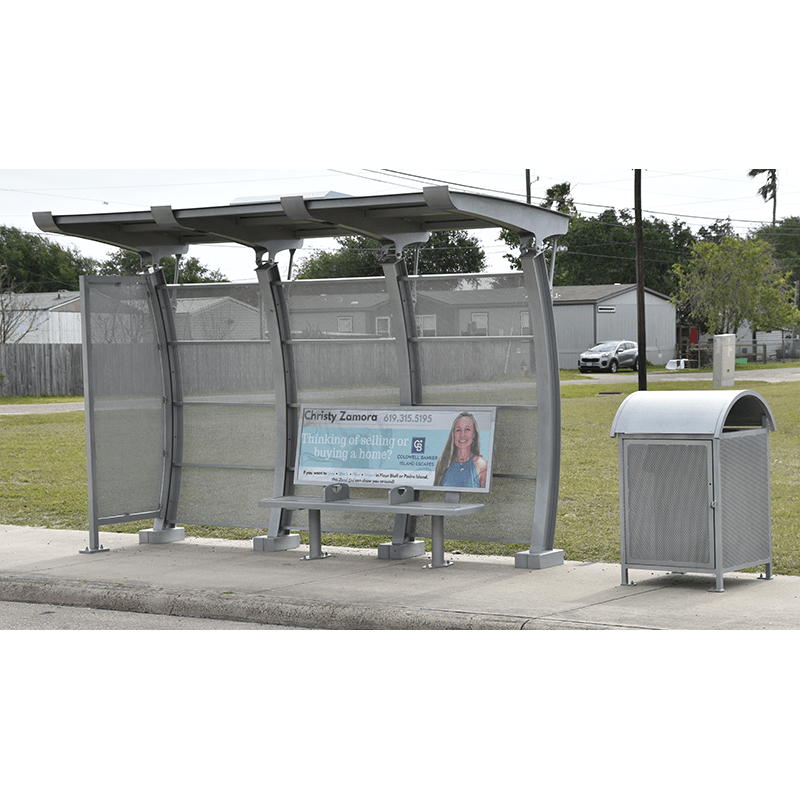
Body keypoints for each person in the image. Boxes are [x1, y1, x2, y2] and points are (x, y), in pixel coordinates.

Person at [433, 412, 488, 489]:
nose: (462, 435)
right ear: (453, 434)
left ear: (474, 434)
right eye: (458, 430)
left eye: (467, 429)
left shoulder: (483, 466)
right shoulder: (442, 462)